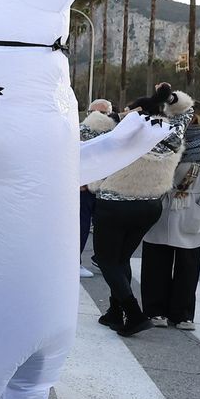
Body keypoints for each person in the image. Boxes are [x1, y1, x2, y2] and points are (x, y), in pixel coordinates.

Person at [84, 86, 194, 335]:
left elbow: (86, 130)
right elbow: (187, 109)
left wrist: (116, 117)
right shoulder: (171, 131)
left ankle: (133, 313)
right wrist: (170, 98)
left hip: (115, 203)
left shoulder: (123, 134)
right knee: (121, 258)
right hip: (150, 204)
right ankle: (115, 311)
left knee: (106, 259)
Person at [141, 101, 200, 329]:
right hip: (161, 204)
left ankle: (182, 314)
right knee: (155, 263)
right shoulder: (159, 142)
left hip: (191, 205)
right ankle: (154, 311)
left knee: (188, 265)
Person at [78, 99, 114, 276]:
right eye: (92, 112)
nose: (96, 117)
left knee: (105, 228)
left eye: (102, 113)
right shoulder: (79, 131)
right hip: (85, 187)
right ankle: (75, 261)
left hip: (108, 187)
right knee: (82, 225)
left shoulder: (115, 132)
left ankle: (101, 259)